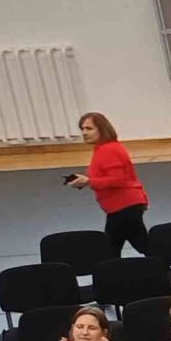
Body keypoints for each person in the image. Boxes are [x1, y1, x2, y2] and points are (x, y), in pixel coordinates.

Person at [65, 109, 148, 255]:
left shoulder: (108, 150)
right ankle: (163, 265)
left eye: (89, 128)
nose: (84, 133)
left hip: (123, 206)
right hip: (125, 206)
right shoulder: (103, 149)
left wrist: (89, 181)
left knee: (111, 249)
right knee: (140, 245)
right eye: (82, 129)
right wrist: (85, 181)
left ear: (102, 129)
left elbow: (118, 179)